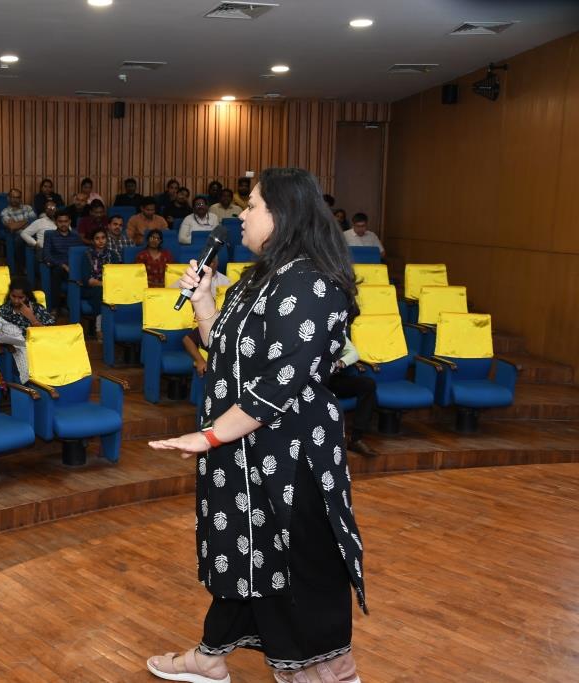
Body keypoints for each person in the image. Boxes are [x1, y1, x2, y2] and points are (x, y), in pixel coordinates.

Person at [146, 167, 365, 683]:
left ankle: (325, 671)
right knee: (251, 556)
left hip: (289, 455)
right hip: (243, 450)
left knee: (296, 564)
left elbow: (277, 383)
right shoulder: (260, 275)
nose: (241, 215)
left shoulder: (309, 282)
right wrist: (204, 303)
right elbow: (227, 354)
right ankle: (213, 655)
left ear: (283, 214)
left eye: (252, 206)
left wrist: (206, 436)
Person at [0, 277, 56, 382]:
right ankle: (31, 387)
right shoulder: (2, 311)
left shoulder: (37, 309)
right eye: (13, 296)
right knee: (29, 367)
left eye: (21, 297)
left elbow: (51, 334)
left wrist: (32, 318)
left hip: (40, 347)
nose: (16, 300)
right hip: (18, 349)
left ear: (27, 296)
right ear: (9, 294)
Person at [329, 337, 378, 458]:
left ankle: (356, 439)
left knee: (367, 384)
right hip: (312, 380)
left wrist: (340, 362)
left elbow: (354, 354)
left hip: (334, 378)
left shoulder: (337, 331)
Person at [41, 209, 84, 312]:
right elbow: (46, 255)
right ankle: (55, 308)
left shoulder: (76, 236)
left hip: (73, 267)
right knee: (57, 271)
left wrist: (73, 267)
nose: (63, 224)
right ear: (56, 222)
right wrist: (63, 265)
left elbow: (81, 254)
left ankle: (72, 307)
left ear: (70, 221)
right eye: (60, 221)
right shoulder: (50, 235)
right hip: (58, 266)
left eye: (65, 221)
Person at [82, 228, 120, 329]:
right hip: (91, 289)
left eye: (103, 238)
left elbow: (118, 277)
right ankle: (99, 327)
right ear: (92, 241)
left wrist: (106, 284)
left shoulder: (113, 255)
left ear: (107, 239)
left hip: (111, 288)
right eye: (97, 238)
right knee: (100, 291)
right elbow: (87, 280)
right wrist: (104, 284)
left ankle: (116, 326)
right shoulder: (87, 255)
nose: (101, 241)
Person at [0, 189, 36, 273]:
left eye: (18, 197)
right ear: (9, 198)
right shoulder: (5, 212)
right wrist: (27, 221)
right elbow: (12, 227)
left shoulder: (28, 208)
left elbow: (35, 222)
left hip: (33, 233)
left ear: (20, 198)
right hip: (18, 235)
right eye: (13, 197)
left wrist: (18, 224)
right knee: (20, 239)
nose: (15, 200)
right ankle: (23, 266)